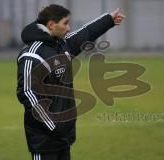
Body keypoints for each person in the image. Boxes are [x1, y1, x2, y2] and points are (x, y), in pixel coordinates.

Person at [16, 4, 125, 160]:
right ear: (51, 24)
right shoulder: (33, 55)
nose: (68, 28)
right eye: (65, 23)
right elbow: (27, 93)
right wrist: (53, 126)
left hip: (64, 136)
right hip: (45, 140)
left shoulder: (62, 45)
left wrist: (108, 20)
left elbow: (85, 33)